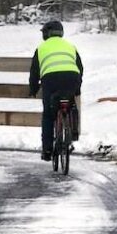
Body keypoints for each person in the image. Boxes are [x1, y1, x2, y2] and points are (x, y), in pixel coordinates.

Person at [28, 20, 83, 161]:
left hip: (51, 80)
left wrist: (33, 89)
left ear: (46, 34)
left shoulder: (41, 48)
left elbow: (34, 72)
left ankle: (47, 150)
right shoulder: (70, 46)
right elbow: (80, 67)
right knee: (71, 104)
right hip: (72, 78)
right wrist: (77, 87)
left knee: (48, 115)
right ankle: (74, 131)